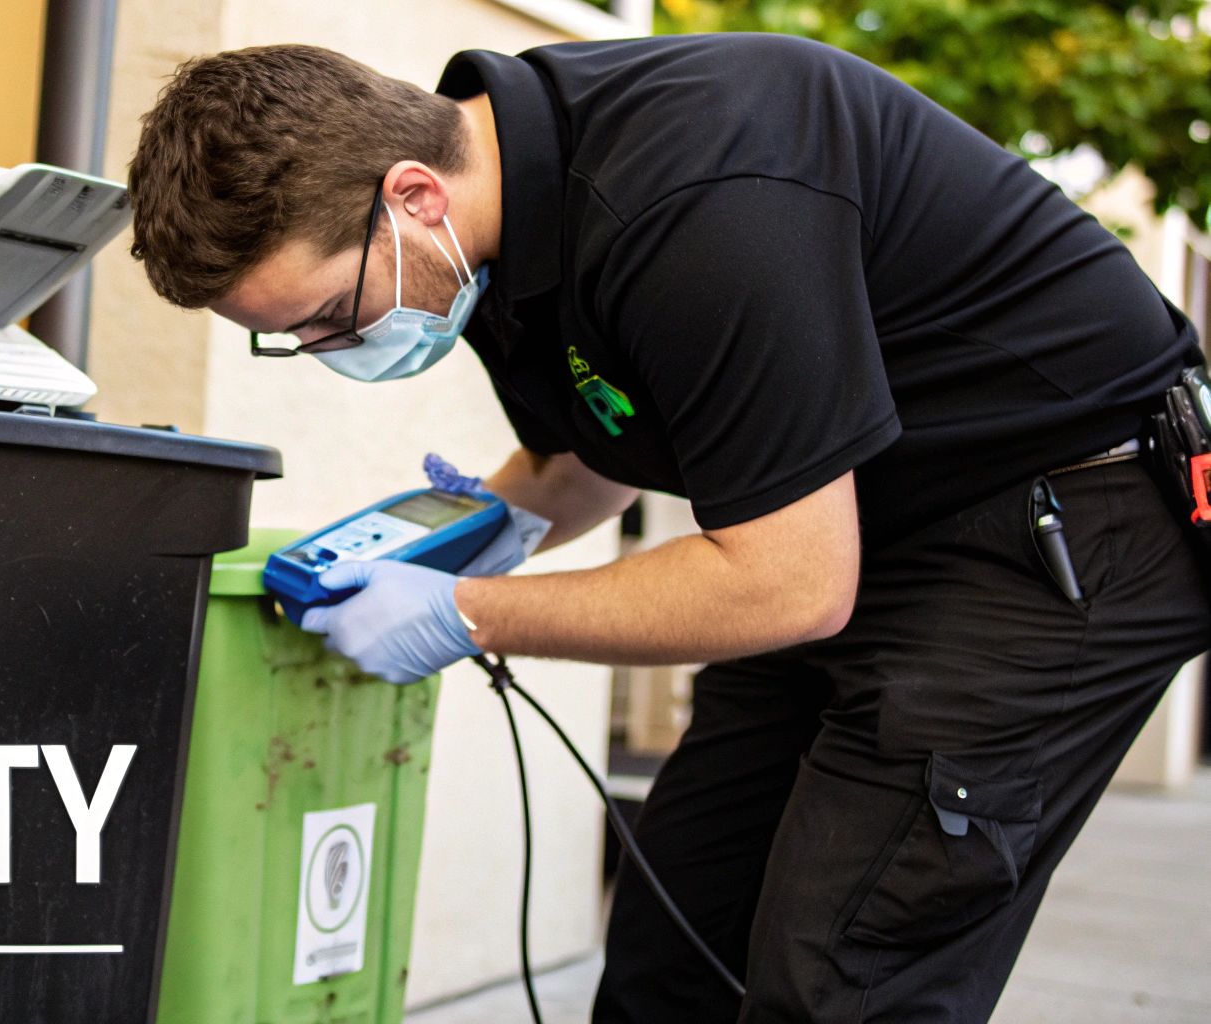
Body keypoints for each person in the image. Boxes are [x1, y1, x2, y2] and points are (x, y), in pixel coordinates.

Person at [125, 35, 1211, 1023]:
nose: (326, 348)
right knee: (673, 946)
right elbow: (594, 450)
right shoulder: (495, 232)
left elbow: (789, 585)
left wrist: (465, 611)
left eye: (327, 315)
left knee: (841, 974)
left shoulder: (697, 196)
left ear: (411, 195)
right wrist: (477, 527)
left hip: (1055, 522)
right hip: (845, 519)